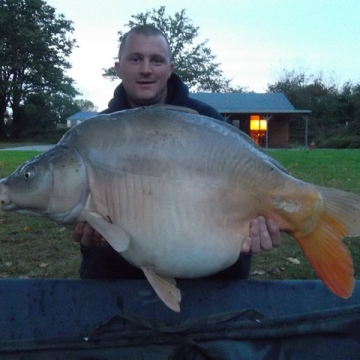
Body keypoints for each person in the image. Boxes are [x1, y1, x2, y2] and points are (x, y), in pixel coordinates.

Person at [72, 25, 281, 280]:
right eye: (136, 59)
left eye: (157, 60)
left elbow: (237, 243)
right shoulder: (94, 136)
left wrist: (250, 238)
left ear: (170, 69)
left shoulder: (207, 121)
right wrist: (94, 242)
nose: (146, 69)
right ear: (118, 68)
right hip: (121, 287)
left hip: (208, 285)